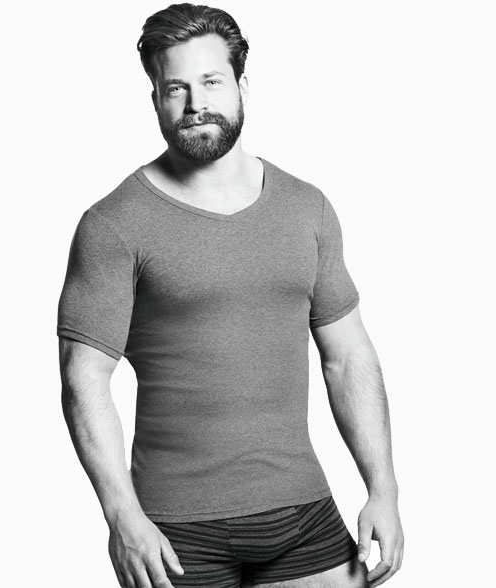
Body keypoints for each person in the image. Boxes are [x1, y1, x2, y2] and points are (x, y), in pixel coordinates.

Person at [57, 3, 404, 588]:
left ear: (243, 85)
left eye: (212, 81)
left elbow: (348, 357)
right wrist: (122, 516)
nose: (196, 104)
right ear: (155, 99)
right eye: (176, 88)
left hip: (302, 514)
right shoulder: (113, 224)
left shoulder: (307, 208)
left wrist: (383, 488)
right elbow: (83, 379)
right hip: (173, 529)